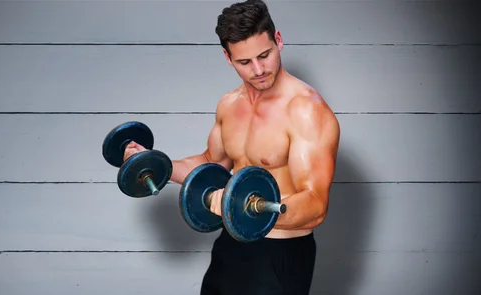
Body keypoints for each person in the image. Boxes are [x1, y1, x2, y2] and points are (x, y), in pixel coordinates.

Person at [123, 0, 340, 294]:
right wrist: (155, 163)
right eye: (245, 62)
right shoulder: (229, 105)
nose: (259, 69)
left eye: (265, 55)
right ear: (227, 57)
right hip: (231, 246)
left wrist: (245, 208)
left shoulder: (305, 111)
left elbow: (315, 205)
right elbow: (211, 163)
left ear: (278, 40)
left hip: (281, 254)